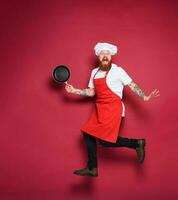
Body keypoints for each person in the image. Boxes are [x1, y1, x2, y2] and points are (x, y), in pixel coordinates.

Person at [65, 42, 160, 177]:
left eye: (108, 54)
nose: (105, 56)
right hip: (99, 108)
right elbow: (92, 92)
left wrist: (144, 96)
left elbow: (132, 85)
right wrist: (74, 90)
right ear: (98, 56)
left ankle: (136, 144)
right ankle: (92, 167)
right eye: (102, 53)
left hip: (113, 108)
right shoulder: (94, 72)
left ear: (111, 57)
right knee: (89, 134)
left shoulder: (118, 71)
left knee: (104, 141)